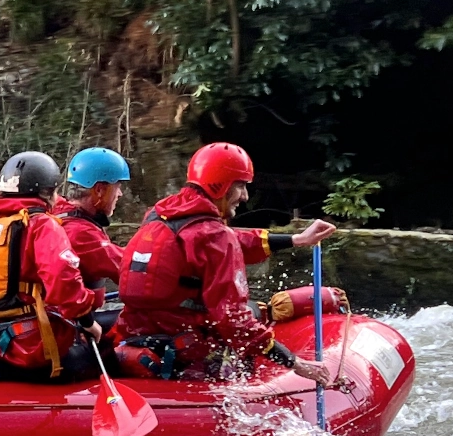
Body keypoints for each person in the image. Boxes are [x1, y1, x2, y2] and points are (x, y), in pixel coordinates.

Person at [113, 142, 336, 383]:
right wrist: (294, 362)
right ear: (221, 185)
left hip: (138, 338)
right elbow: (234, 320)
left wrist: (295, 239)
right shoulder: (214, 236)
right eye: (240, 186)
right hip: (184, 353)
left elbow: (229, 240)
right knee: (251, 312)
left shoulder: (160, 216)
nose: (245, 196)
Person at [0, 151, 102, 382]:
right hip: (36, 354)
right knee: (107, 346)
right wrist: (88, 322)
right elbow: (64, 283)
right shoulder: (42, 225)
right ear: (48, 192)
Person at [51, 147, 130, 292]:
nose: (120, 194)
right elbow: (129, 267)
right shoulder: (81, 234)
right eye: (117, 187)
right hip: (72, 314)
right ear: (99, 190)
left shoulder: (59, 212)